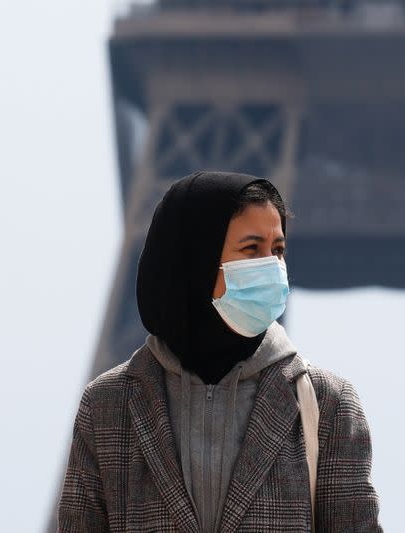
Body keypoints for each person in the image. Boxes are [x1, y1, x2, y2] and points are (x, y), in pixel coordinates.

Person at [57, 171, 383, 532]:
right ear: (196, 259)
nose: (272, 267)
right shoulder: (107, 405)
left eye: (278, 250)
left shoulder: (329, 404)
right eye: (251, 249)